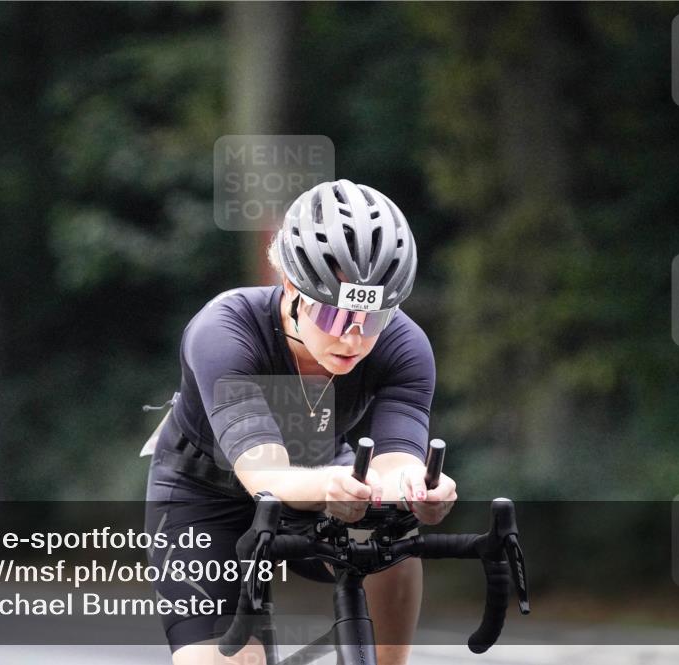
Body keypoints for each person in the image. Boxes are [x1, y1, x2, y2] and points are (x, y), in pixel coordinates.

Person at [143, 179, 458, 665]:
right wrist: (334, 485)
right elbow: (265, 475)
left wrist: (418, 488)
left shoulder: (405, 346)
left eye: (371, 319)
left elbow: (398, 462)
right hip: (206, 495)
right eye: (334, 316)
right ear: (291, 288)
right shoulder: (223, 330)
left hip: (321, 477)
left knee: (393, 536)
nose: (352, 339)